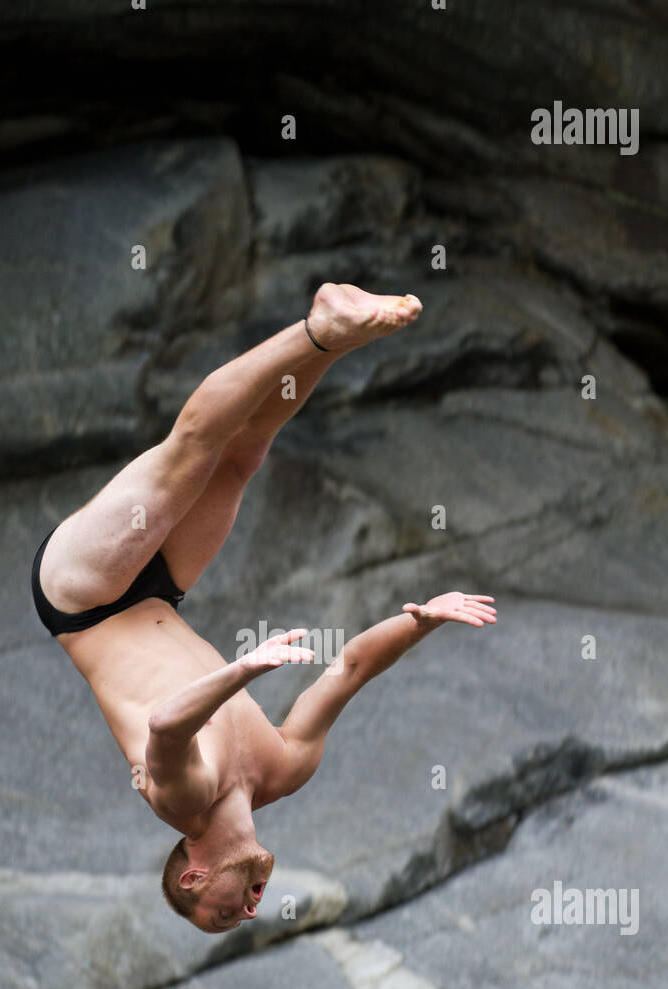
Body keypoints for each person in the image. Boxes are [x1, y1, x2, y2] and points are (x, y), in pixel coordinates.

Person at [31, 283, 497, 933]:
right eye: (252, 912)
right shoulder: (283, 770)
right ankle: (338, 338)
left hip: (85, 598)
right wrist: (421, 622)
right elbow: (350, 672)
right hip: (159, 591)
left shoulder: (183, 802)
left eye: (230, 911)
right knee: (242, 457)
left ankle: (315, 330)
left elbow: (166, 726)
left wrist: (244, 672)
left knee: (190, 452)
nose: (254, 905)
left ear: (195, 875)